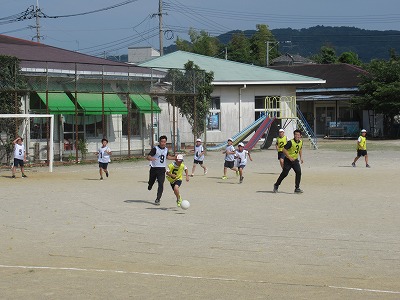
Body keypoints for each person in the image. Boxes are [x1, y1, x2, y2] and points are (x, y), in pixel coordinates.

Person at [147, 135, 175, 205]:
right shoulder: (155, 149)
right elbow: (148, 156)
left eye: (164, 142)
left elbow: (167, 157)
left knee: (161, 184)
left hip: (162, 169)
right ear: (159, 142)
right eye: (162, 141)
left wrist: (175, 158)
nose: (163, 143)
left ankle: (158, 199)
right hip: (154, 168)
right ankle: (150, 185)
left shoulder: (166, 149)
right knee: (151, 182)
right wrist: (150, 158)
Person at [273, 129, 304, 194]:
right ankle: (276, 185)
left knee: (298, 172)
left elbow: (300, 148)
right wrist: (289, 157)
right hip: (288, 160)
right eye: (295, 134)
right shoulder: (290, 142)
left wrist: (301, 157)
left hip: (295, 160)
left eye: (298, 135)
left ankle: (297, 188)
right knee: (284, 173)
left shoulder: (301, 142)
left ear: (300, 136)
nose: (297, 136)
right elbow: (284, 150)